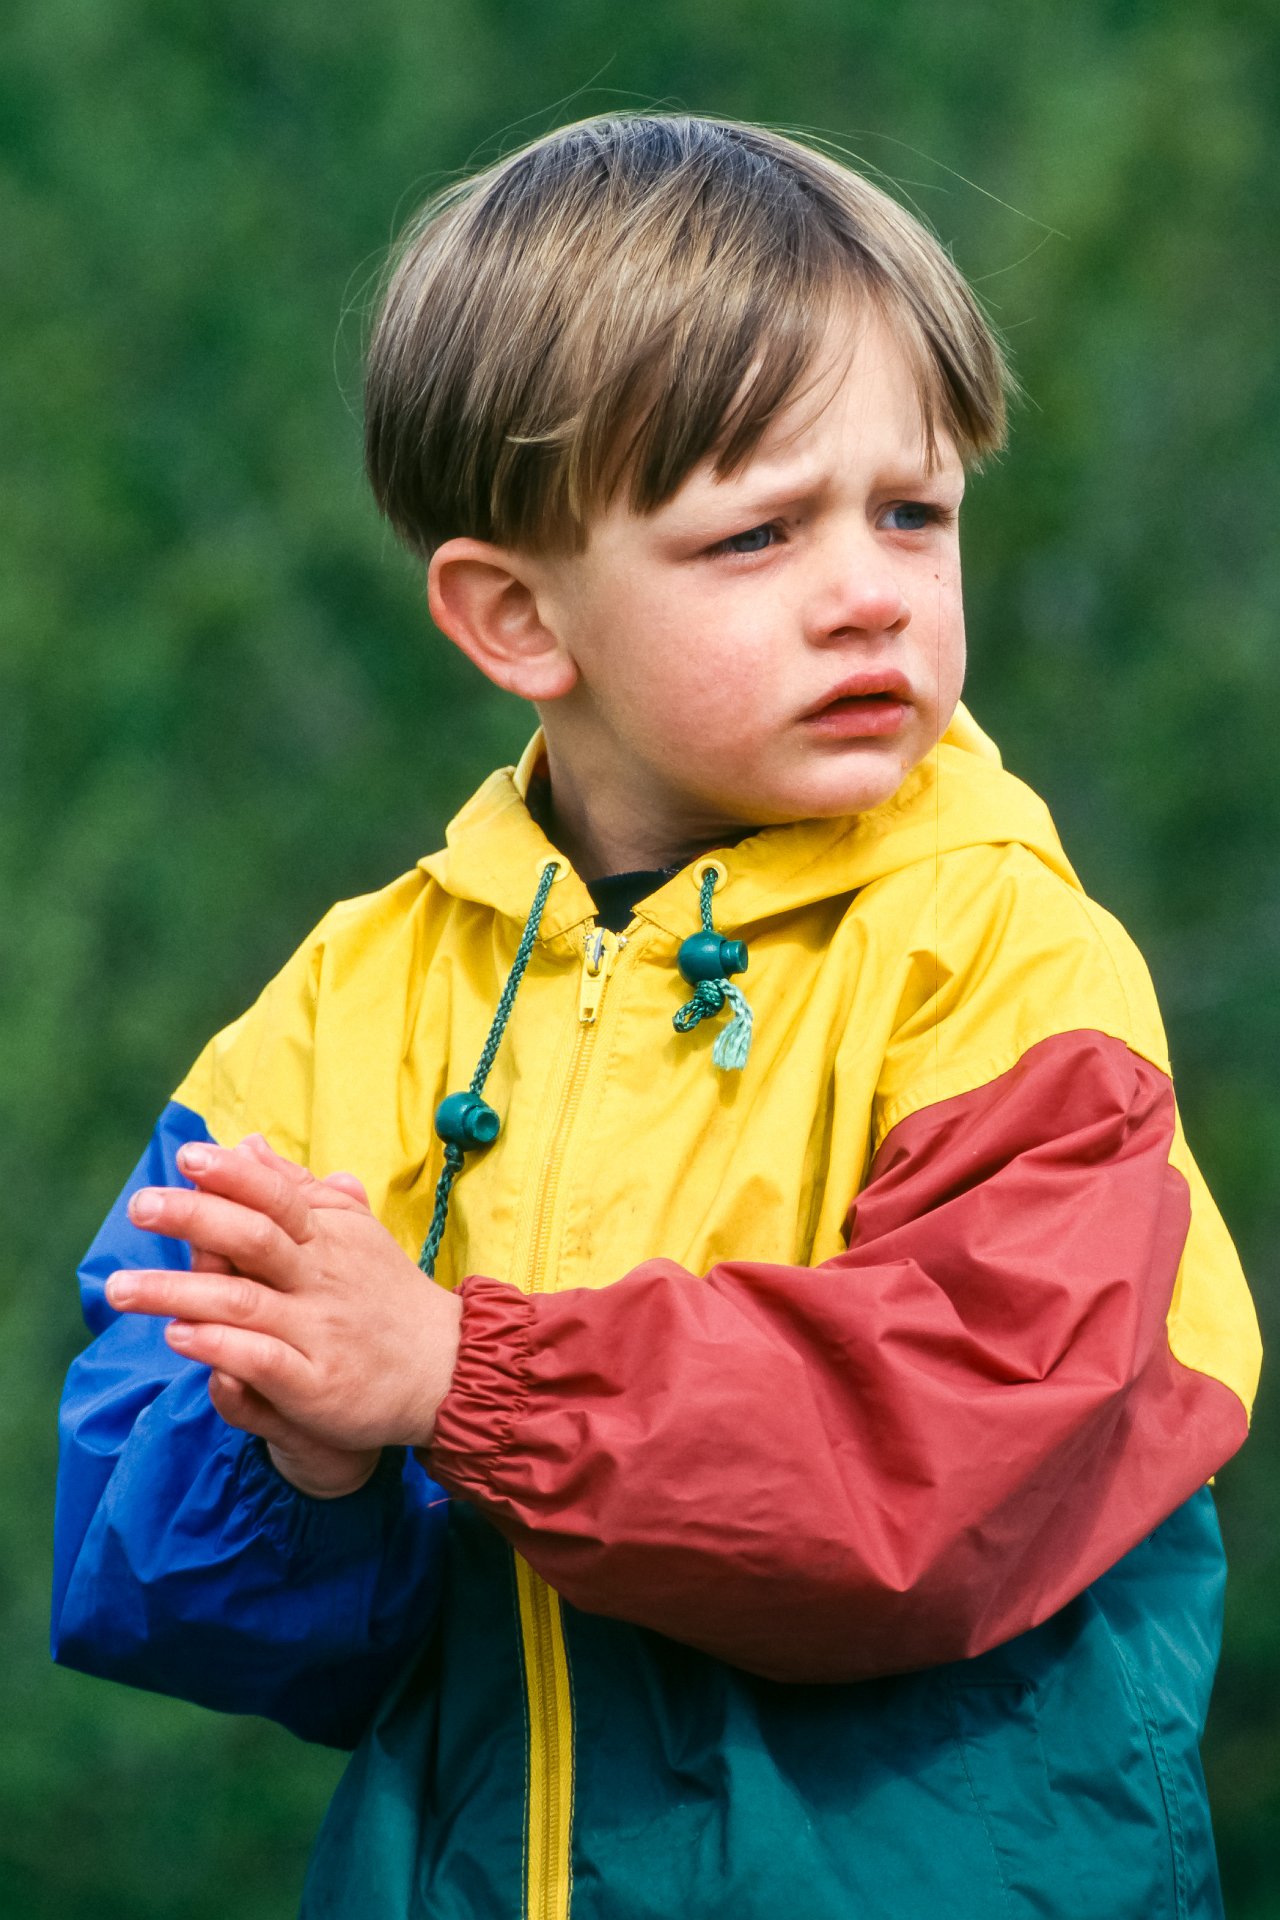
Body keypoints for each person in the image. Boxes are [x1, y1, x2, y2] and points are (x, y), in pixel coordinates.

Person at [53, 114, 1261, 1920]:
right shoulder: (356, 1004)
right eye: (758, 532)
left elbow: (951, 1467)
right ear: (517, 619)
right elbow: (153, 1564)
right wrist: (308, 1458)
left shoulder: (1007, 958)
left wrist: (460, 1377)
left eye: (914, 512)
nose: (871, 593)